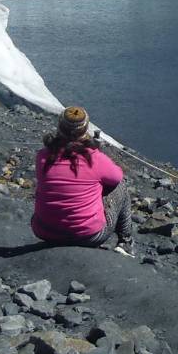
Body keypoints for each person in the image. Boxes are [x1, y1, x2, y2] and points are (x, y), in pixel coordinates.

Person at [31, 106, 135, 255]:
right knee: (120, 187)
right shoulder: (94, 158)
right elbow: (117, 177)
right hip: (88, 236)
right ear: (85, 129)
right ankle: (125, 242)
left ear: (60, 127)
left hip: (44, 231)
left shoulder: (43, 156)